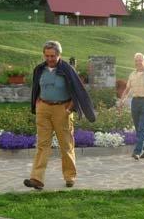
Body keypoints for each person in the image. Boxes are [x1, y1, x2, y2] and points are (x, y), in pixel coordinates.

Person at [24, 41, 96, 190]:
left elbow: (77, 89)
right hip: (43, 109)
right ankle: (37, 179)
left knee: (66, 144)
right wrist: (37, 102)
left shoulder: (67, 69)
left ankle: (70, 176)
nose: (50, 58)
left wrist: (71, 105)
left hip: (61, 110)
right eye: (47, 55)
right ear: (44, 55)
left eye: (53, 55)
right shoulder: (40, 69)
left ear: (59, 55)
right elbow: (36, 87)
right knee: (42, 145)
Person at [119, 53, 144, 160]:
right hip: (135, 102)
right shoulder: (132, 74)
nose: (138, 62)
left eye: (140, 60)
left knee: (142, 127)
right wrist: (122, 100)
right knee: (139, 129)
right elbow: (127, 89)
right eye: (136, 60)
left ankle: (137, 151)